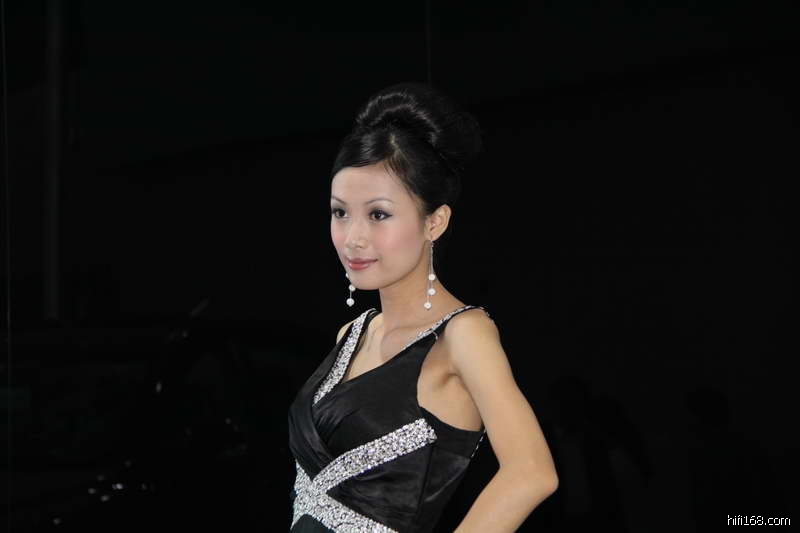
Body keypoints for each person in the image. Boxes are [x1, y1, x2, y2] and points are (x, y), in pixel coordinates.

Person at [287, 82, 558, 532]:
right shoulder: (352, 334)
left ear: (435, 221)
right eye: (340, 212)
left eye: (378, 214)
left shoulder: (463, 335)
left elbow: (532, 471)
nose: (353, 238)